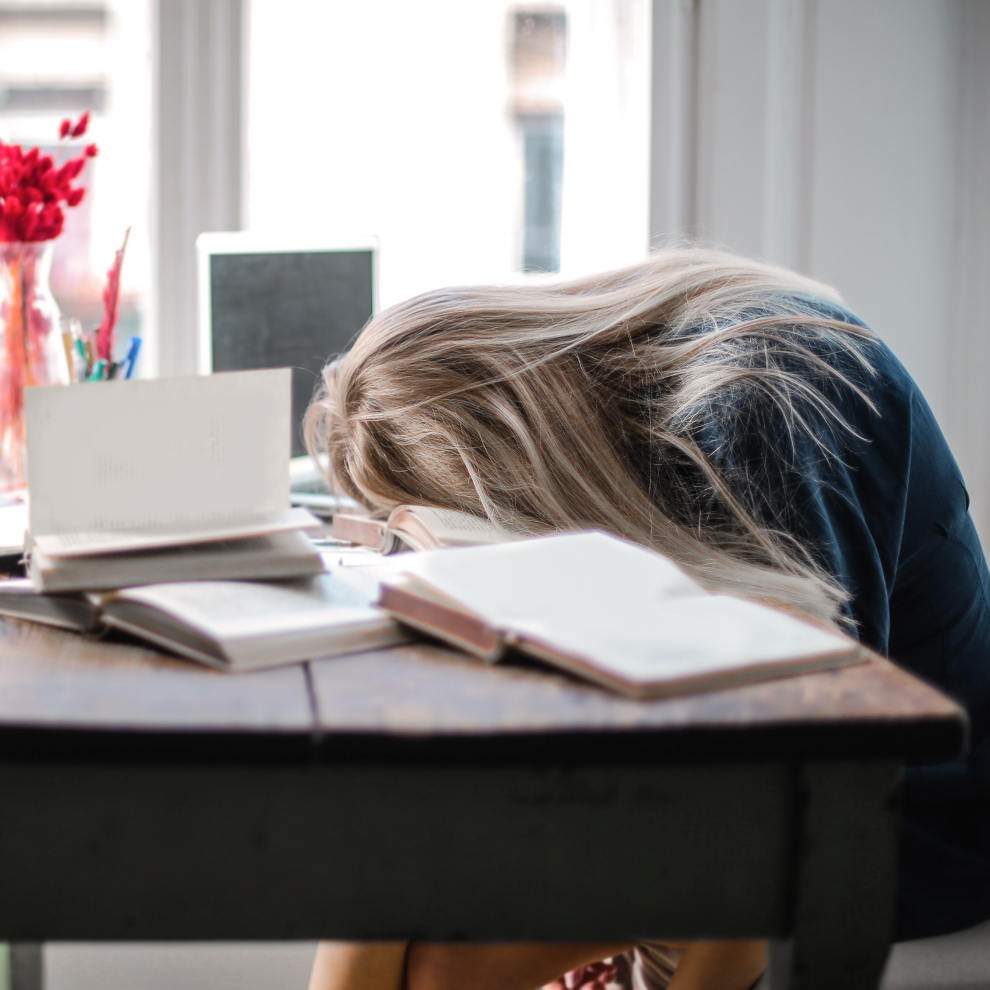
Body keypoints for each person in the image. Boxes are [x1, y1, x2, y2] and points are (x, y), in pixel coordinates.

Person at [303, 249, 990, 990]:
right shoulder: (649, 387)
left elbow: (803, 789)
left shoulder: (764, 401)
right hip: (743, 782)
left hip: (913, 826)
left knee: (431, 956)